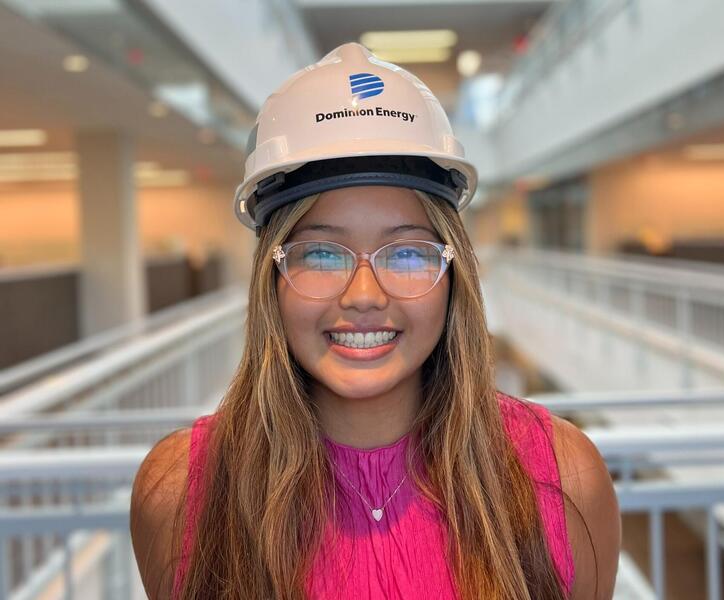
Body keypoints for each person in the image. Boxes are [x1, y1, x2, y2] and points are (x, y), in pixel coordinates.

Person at [130, 42, 620, 600]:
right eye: (320, 254)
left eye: (407, 254)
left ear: (453, 273)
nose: (364, 295)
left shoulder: (561, 481)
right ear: (270, 278)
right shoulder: (179, 493)